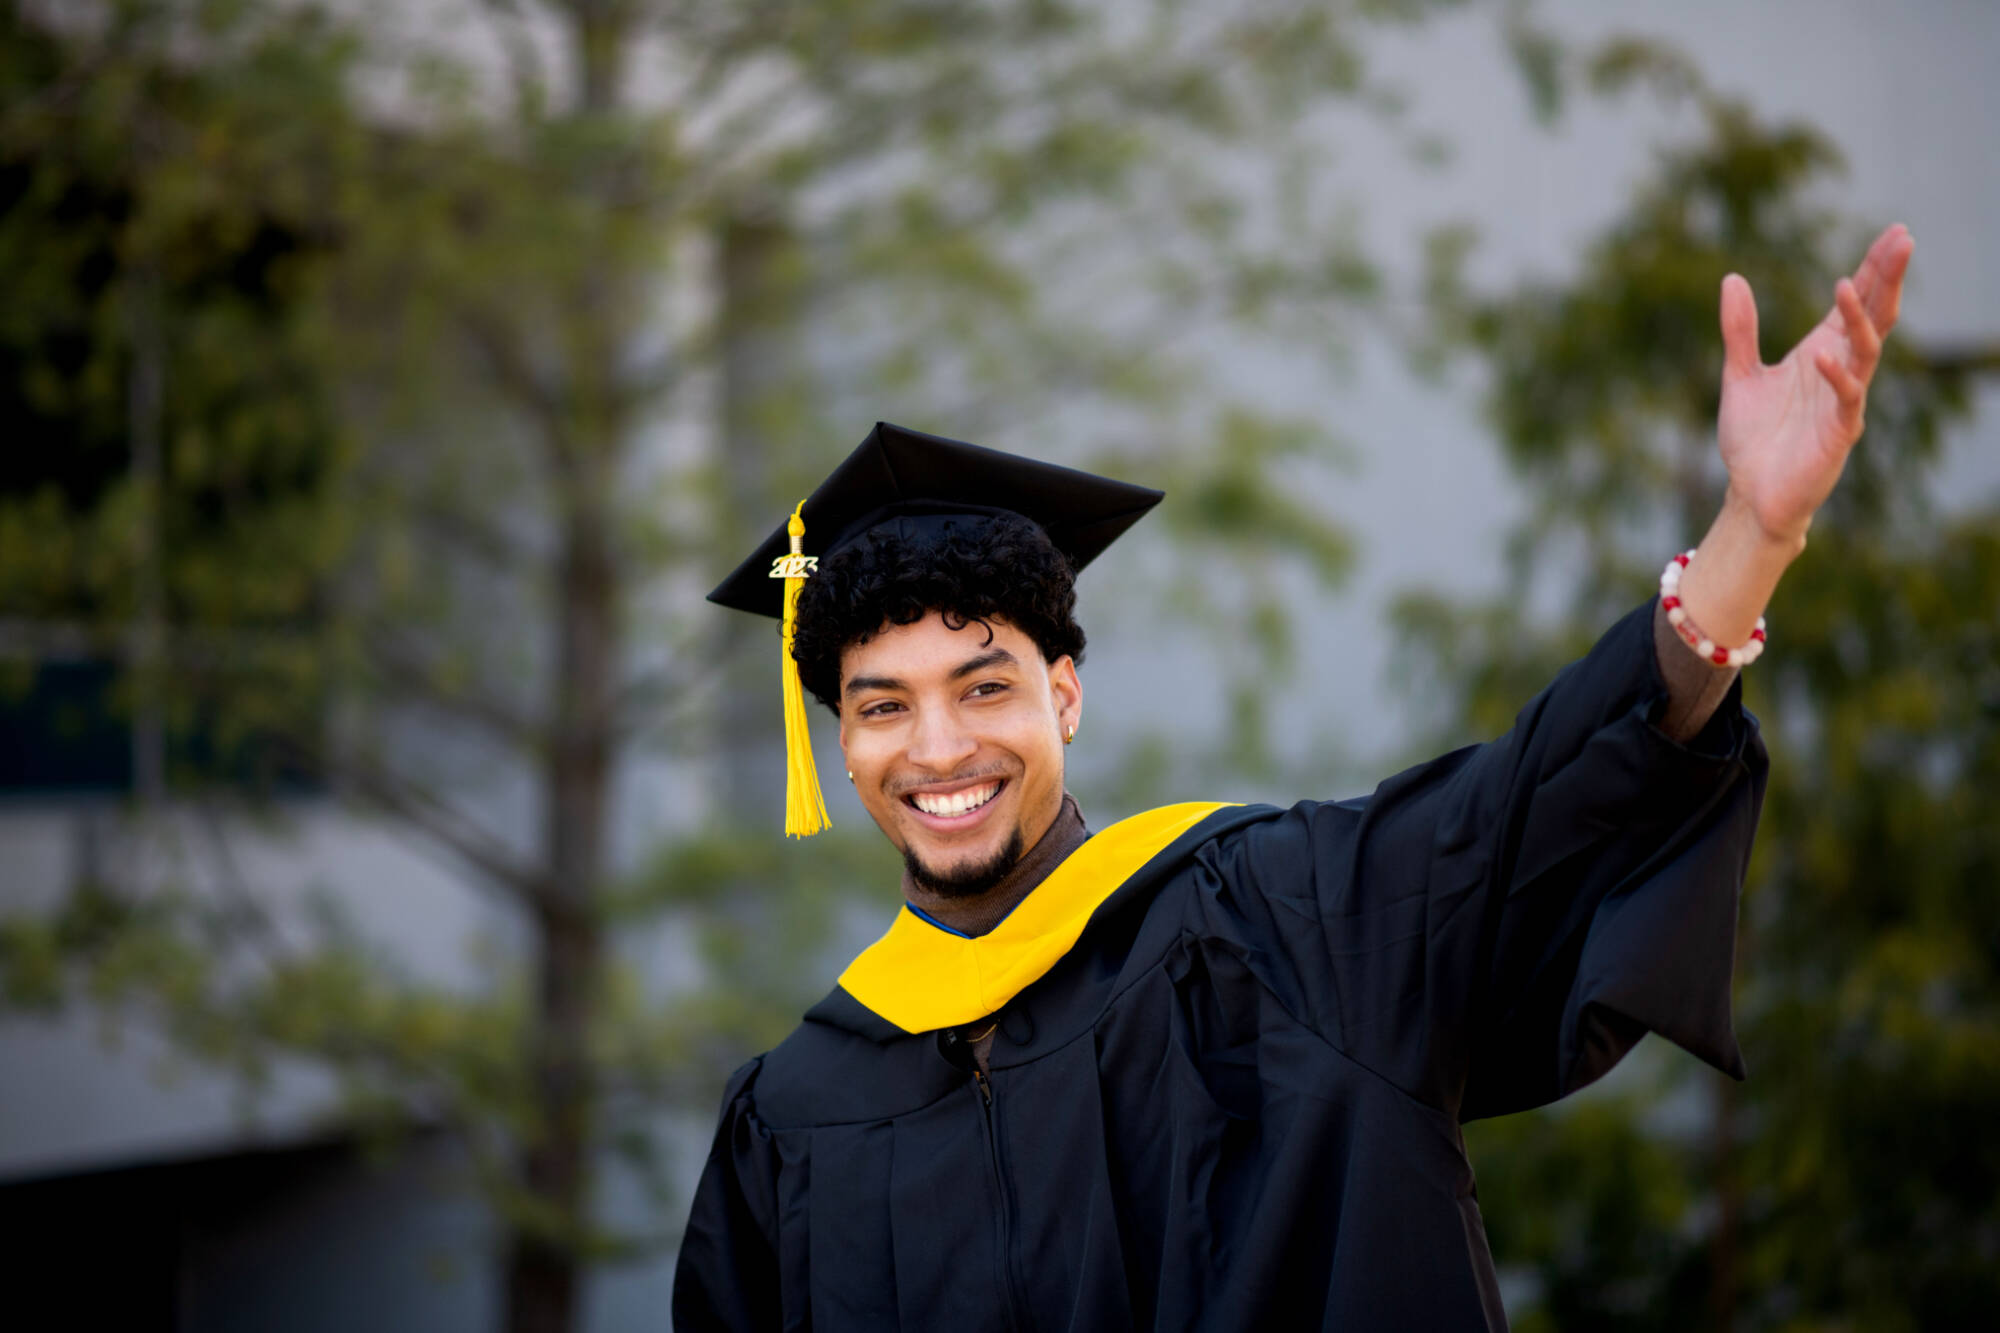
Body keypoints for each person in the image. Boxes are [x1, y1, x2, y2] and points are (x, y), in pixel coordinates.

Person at [676, 225, 1915, 1330]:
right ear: (842, 740)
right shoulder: (788, 1121)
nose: (938, 749)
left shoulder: (1278, 927)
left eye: (984, 685)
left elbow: (1522, 809)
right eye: (884, 705)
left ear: (1064, 691)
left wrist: (1751, 534)